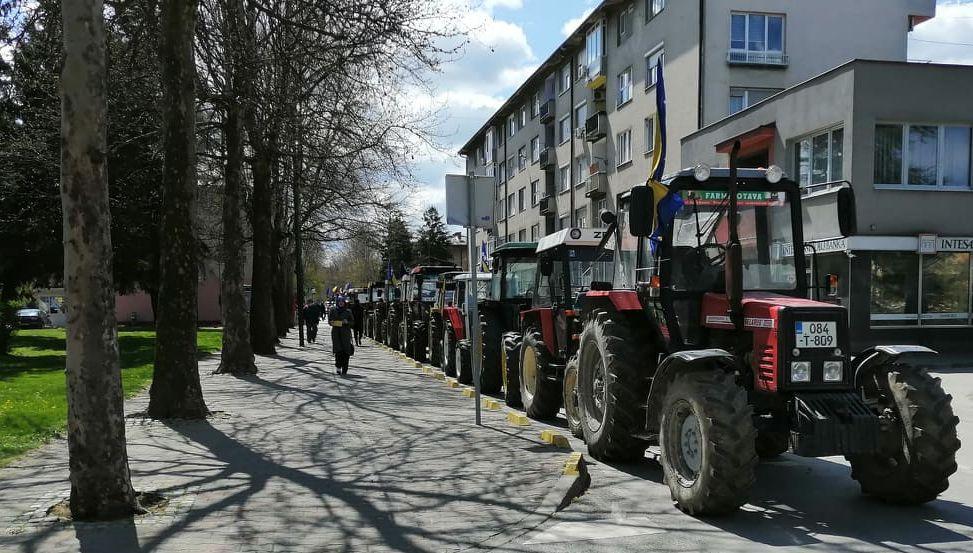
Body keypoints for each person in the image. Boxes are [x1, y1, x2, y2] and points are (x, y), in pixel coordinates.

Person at [329, 296, 355, 375]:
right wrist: (332, 322)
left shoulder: (348, 311)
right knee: (338, 351)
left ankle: (345, 368)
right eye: (339, 301)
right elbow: (330, 321)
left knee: (346, 352)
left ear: (344, 303)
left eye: (342, 302)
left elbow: (353, 322)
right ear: (337, 302)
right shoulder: (333, 310)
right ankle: (338, 367)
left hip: (345, 333)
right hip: (336, 333)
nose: (341, 303)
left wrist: (347, 322)